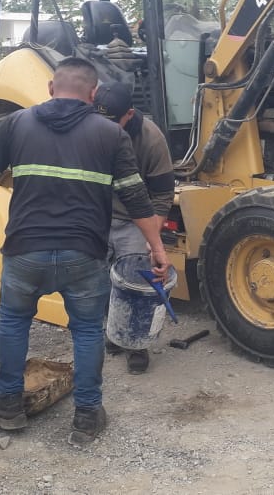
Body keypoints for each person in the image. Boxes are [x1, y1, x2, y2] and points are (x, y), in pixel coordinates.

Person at [0, 57, 170, 446]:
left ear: (52, 88)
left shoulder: (17, 123)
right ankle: (87, 416)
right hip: (83, 253)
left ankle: (8, 406)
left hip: (26, 251)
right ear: (93, 94)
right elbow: (137, 198)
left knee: (13, 323)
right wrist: (157, 248)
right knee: (88, 330)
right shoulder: (112, 135)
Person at [92, 81, 175, 374]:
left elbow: (163, 195)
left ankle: (136, 346)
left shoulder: (151, 139)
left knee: (136, 284)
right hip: (99, 215)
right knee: (101, 280)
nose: (105, 129)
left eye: (113, 122)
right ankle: (113, 332)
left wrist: (153, 239)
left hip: (134, 220)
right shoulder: (91, 128)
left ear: (129, 114)